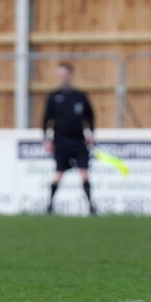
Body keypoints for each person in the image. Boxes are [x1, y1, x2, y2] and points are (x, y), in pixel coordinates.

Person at [42, 62, 96, 215]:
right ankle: (49, 206)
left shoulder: (80, 96)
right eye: (59, 74)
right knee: (59, 173)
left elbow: (90, 117)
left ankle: (91, 207)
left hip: (78, 140)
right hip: (61, 140)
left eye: (64, 74)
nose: (62, 77)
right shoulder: (54, 96)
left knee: (84, 172)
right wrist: (46, 139)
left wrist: (91, 134)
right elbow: (46, 119)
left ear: (71, 75)